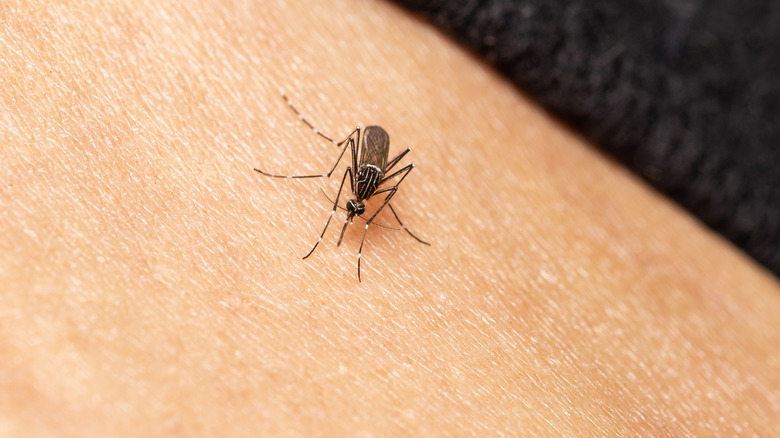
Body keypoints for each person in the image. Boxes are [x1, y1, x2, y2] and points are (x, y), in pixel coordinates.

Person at [2, 0, 778, 435]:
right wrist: (336, 187)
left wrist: (380, 218)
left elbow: (380, 171)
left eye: (356, 207)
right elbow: (357, 154)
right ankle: (312, 162)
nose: (354, 209)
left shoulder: (376, 188)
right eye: (355, 207)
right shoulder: (351, 175)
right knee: (332, 152)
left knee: (380, 181)